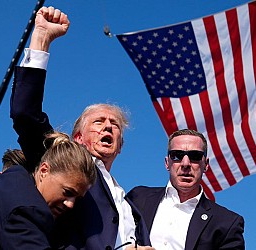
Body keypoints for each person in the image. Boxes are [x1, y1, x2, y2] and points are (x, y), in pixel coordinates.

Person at [10, 6, 153, 250]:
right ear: (78, 136)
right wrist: (41, 39)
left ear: (120, 146)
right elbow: (25, 114)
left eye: (115, 125)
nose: (108, 126)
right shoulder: (63, 162)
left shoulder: (128, 202)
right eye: (99, 122)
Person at [126, 129, 245, 250]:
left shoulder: (227, 222)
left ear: (206, 164)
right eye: (177, 155)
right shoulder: (138, 198)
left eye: (195, 156)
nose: (186, 163)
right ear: (167, 163)